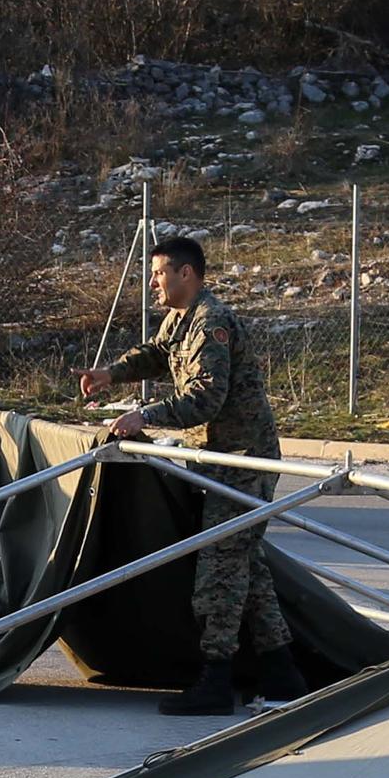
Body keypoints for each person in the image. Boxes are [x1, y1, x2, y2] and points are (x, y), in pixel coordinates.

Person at [78, 234, 304, 717]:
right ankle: (283, 674)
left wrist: (145, 415)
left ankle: (216, 681)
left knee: (220, 569)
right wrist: (111, 374)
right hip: (216, 459)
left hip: (244, 461)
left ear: (187, 274)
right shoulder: (180, 320)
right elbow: (156, 355)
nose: (154, 283)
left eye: (160, 273)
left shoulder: (210, 321)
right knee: (248, 568)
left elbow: (205, 397)